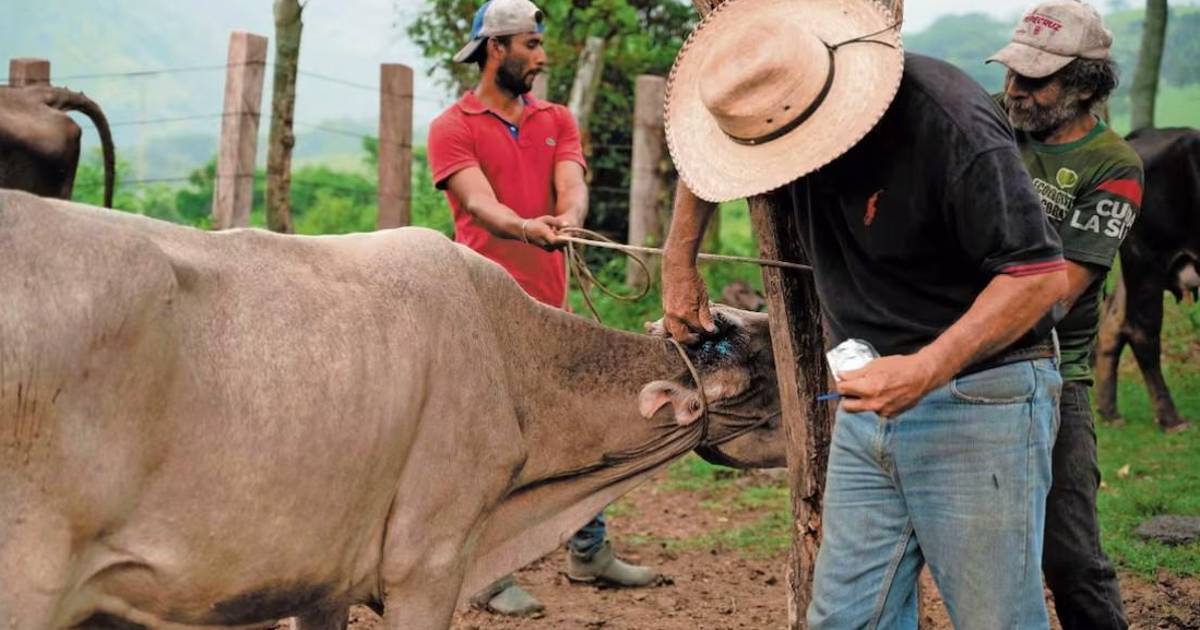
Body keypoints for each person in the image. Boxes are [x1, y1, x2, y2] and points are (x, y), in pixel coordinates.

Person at [658, 0, 1069, 627]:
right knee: (847, 620)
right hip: (867, 400)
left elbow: (1039, 278)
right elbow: (703, 145)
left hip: (980, 396)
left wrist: (924, 371)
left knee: (996, 620)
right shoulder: (773, 88)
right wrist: (678, 258)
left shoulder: (949, 124)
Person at [426, 0, 658, 616]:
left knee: (579, 422)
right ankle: (485, 575)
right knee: (492, 439)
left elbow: (573, 184)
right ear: (495, 49)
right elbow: (477, 205)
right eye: (531, 44)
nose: (541, 55)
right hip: (483, 308)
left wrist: (569, 220)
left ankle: (589, 550)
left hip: (550, 304)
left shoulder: (557, 118)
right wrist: (529, 229)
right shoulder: (453, 125)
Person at [987, 2, 1144, 627]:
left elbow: (1057, 294)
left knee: (1072, 556)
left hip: (1055, 370)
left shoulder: (1115, 165)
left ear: (1083, 85)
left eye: (1034, 80)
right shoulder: (992, 121)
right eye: (1011, 74)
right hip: (958, 353)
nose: (1014, 91)